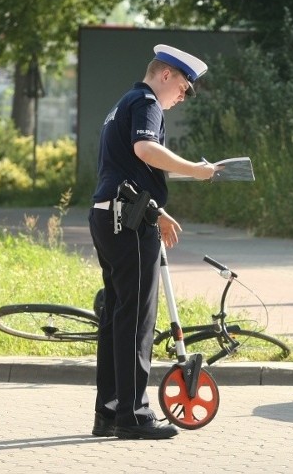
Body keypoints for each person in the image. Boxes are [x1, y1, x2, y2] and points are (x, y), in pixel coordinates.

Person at [88, 44, 220, 440]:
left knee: (116, 316)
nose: (183, 96)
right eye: (183, 86)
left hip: (110, 214)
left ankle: (110, 412)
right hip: (126, 222)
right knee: (136, 318)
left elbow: (126, 171)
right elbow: (144, 150)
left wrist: (156, 212)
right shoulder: (147, 103)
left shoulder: (123, 103)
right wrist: (194, 170)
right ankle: (134, 415)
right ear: (165, 75)